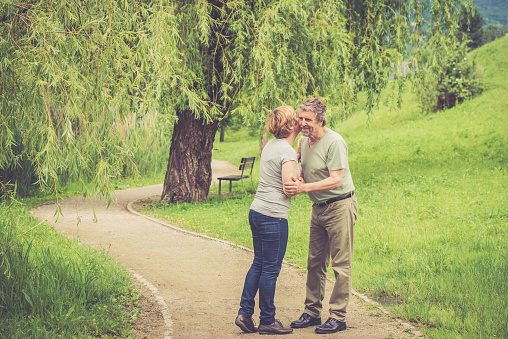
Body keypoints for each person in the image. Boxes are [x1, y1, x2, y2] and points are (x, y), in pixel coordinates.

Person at [283, 97, 358, 334]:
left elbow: (335, 179)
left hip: (339, 206)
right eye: (300, 118)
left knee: (341, 264)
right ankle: (312, 312)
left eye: (308, 119)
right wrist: (300, 178)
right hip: (319, 209)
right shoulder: (304, 141)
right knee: (315, 262)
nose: (302, 123)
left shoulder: (334, 142)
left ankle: (338, 316)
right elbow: (306, 170)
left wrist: (303, 188)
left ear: (320, 120)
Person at [235, 106, 300, 335]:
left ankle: (244, 313)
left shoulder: (271, 146)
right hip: (274, 216)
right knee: (270, 270)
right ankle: (267, 320)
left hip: (257, 211)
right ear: (290, 125)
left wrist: (296, 155)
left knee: (259, 264)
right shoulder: (287, 151)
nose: (300, 120)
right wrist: (305, 184)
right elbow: (289, 188)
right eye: (296, 118)